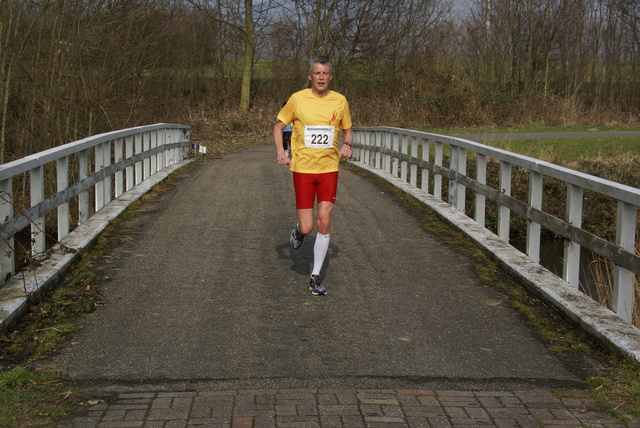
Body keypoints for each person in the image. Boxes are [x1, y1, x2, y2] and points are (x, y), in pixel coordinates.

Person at [273, 55, 353, 296]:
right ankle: (298, 231)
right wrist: (281, 152)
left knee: (325, 221)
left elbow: (348, 130)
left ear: (330, 76)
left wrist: (348, 144)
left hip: (329, 169)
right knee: (308, 228)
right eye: (316, 73)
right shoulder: (297, 99)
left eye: (325, 73)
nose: (321, 77)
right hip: (303, 170)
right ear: (310, 76)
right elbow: (278, 126)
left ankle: (315, 276)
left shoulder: (340, 101)